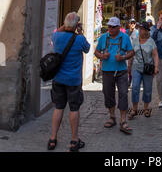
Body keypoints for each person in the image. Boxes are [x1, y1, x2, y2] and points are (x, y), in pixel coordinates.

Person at [48, 12, 90, 152]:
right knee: (74, 108)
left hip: (58, 79)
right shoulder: (79, 39)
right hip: (73, 80)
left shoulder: (57, 36)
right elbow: (88, 49)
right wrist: (79, 30)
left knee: (58, 108)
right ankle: (74, 140)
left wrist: (67, 25)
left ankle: (53, 138)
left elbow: (58, 30)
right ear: (77, 25)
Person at [95, 16, 134, 135]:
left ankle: (123, 120)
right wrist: (102, 56)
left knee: (123, 94)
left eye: (113, 27)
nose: (110, 29)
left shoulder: (125, 37)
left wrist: (122, 57)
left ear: (118, 27)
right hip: (107, 71)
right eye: (109, 26)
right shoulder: (103, 38)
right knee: (108, 94)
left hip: (121, 71)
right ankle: (112, 117)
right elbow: (96, 52)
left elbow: (131, 52)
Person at [128, 22, 159, 119]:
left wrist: (156, 67)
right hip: (136, 68)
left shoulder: (151, 41)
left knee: (148, 89)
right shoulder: (135, 41)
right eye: (139, 28)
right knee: (135, 87)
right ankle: (134, 109)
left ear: (146, 31)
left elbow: (155, 55)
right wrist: (129, 65)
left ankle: (146, 108)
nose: (140, 30)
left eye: (142, 29)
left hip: (148, 69)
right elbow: (131, 53)